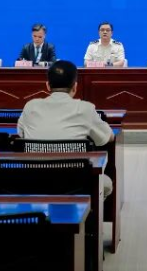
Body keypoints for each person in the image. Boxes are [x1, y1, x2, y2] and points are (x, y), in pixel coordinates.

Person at [18, 61, 114, 197]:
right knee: (106, 184)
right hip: (76, 184)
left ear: (47, 85)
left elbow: (20, 134)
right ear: (75, 87)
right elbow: (108, 137)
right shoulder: (85, 108)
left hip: (34, 182)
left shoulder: (30, 106)